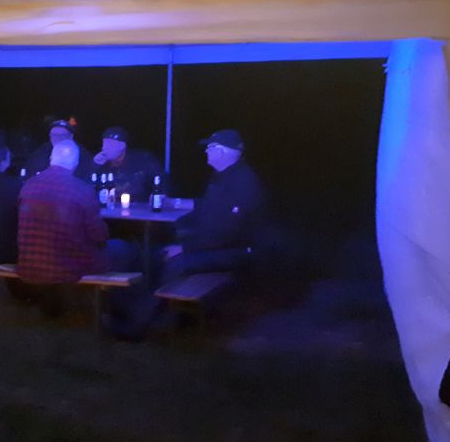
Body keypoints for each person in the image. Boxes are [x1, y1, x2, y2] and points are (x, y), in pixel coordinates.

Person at [18, 140, 138, 317]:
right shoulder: (82, 190)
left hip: (30, 262)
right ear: (75, 163)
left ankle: (56, 308)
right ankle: (117, 311)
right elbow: (99, 236)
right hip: (68, 266)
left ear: (51, 159)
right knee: (125, 248)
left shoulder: (28, 185)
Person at [161, 129, 266, 279]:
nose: (206, 151)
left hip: (237, 251)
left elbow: (226, 232)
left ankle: (172, 295)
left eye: (210, 147)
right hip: (219, 246)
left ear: (222, 152)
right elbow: (207, 206)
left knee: (174, 263)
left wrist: (185, 248)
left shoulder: (243, 182)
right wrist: (174, 203)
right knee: (160, 250)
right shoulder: (221, 176)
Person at [93, 126, 161, 202]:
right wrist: (94, 166)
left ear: (123, 146)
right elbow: (89, 188)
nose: (105, 148)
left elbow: (160, 179)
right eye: (104, 144)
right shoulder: (101, 164)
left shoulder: (143, 160)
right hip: (111, 206)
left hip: (139, 205)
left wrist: (161, 195)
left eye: (111, 145)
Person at [24, 119, 94, 181]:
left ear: (71, 136)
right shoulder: (40, 152)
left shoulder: (82, 154)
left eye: (63, 135)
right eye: (54, 135)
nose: (58, 138)